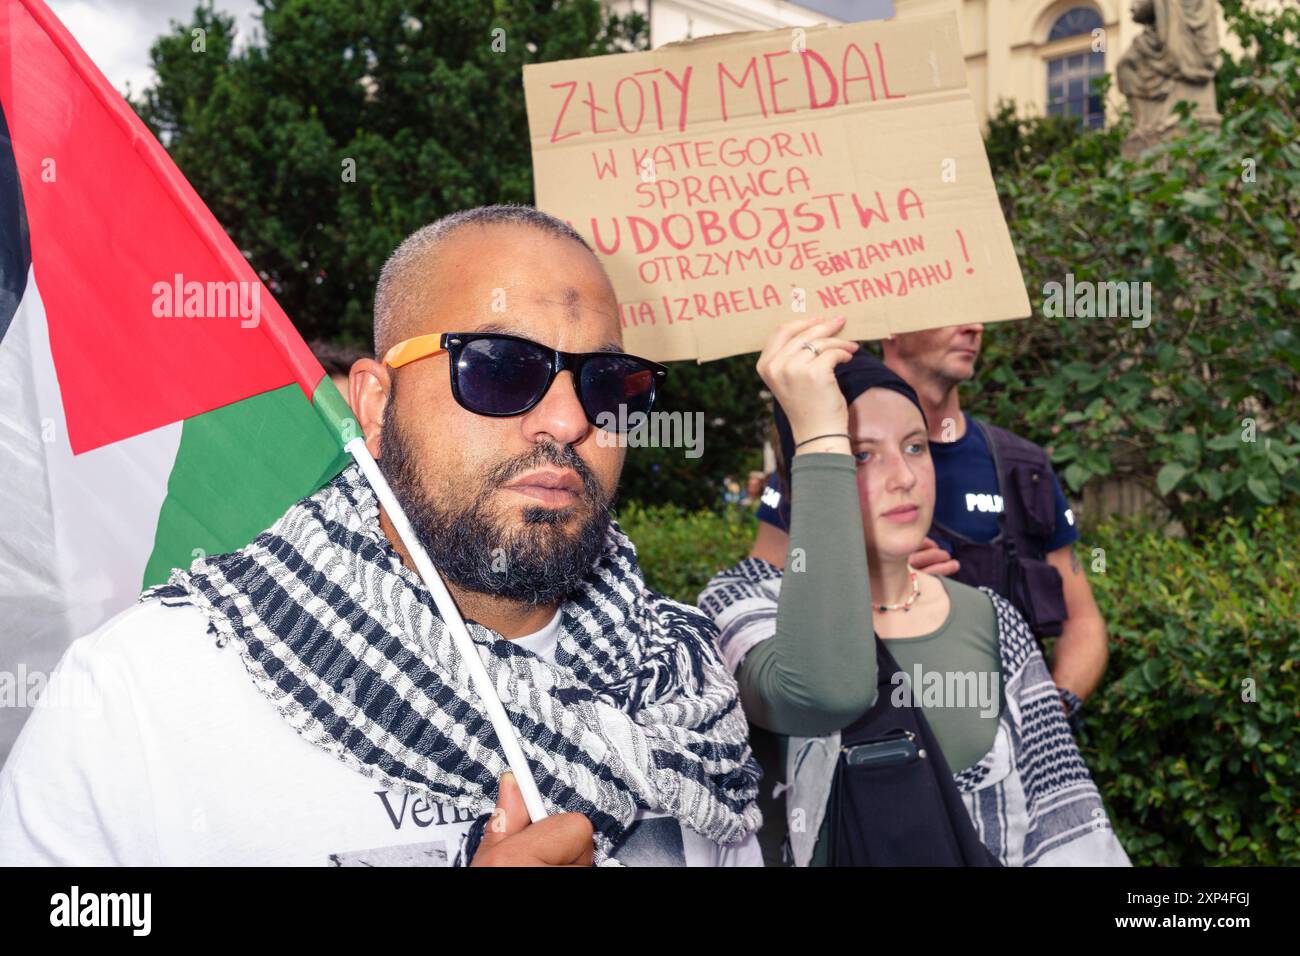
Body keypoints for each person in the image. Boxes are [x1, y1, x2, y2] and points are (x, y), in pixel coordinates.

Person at [0, 205, 762, 867]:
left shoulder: (686, 690)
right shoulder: (145, 688)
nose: (567, 422)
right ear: (374, 403)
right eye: (500, 368)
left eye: (607, 384)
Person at [699, 316, 1129, 867]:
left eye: (916, 446)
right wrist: (818, 432)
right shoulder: (744, 605)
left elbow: (1067, 828)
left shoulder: (992, 619)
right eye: (860, 453)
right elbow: (820, 691)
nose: (903, 476)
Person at [750, 323, 1107, 726]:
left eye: (915, 448)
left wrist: (1048, 715)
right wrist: (878, 583)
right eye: (863, 454)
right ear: (892, 329)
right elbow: (766, 594)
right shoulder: (817, 464)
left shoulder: (1024, 465)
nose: (974, 326)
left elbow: (1083, 619)